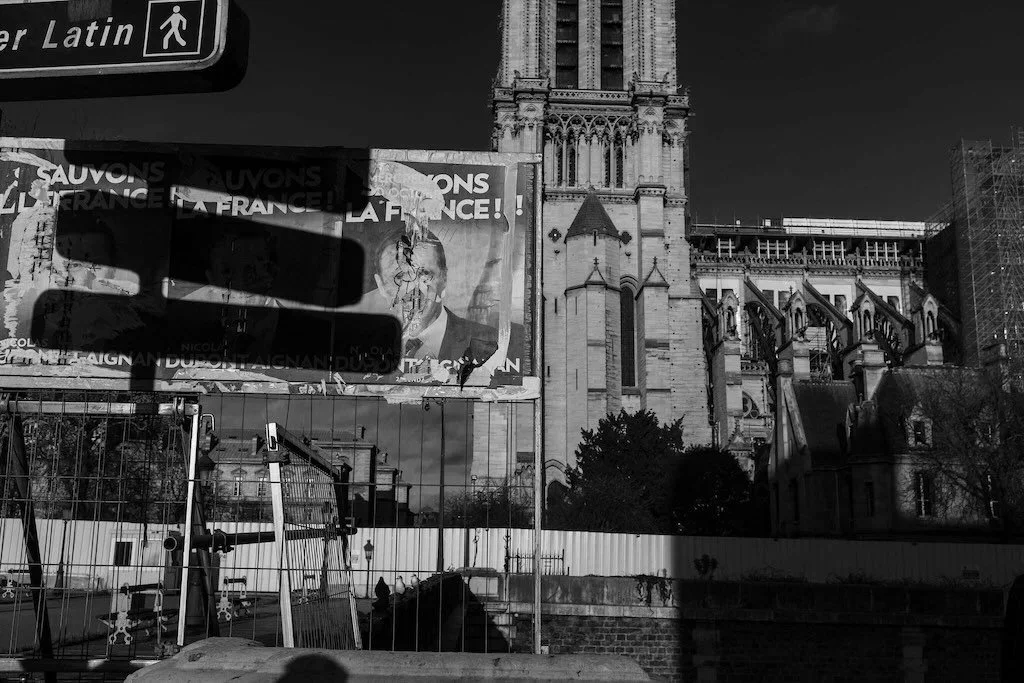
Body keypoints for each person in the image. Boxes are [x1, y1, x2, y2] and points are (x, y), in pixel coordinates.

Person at [371, 226, 521, 365]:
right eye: (399, 277)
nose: (412, 289)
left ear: (444, 279)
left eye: (424, 274)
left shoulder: (503, 345)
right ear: (381, 285)